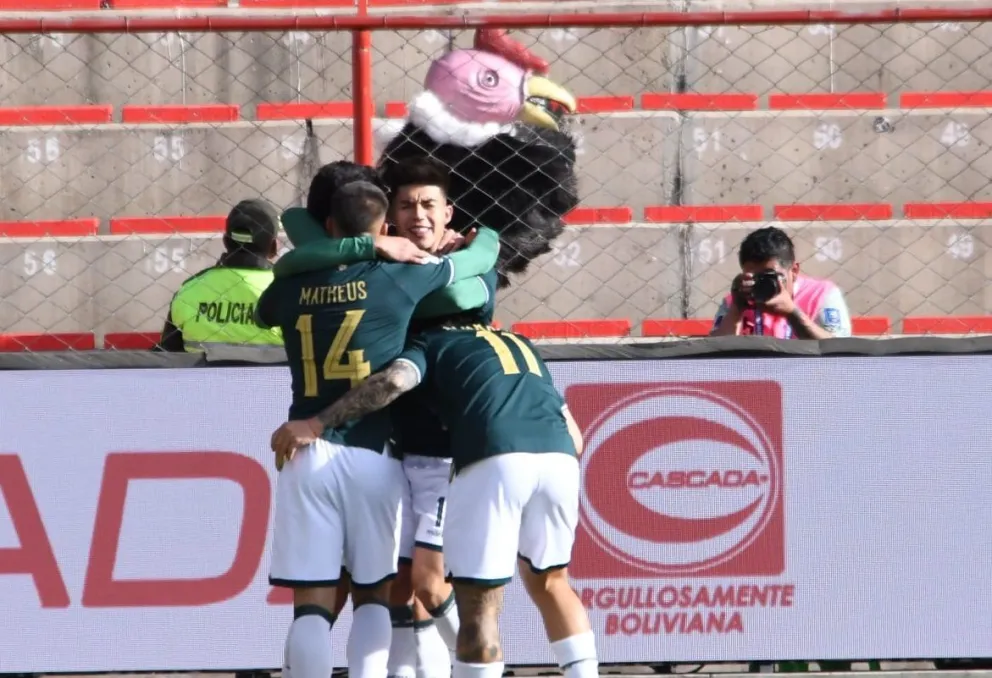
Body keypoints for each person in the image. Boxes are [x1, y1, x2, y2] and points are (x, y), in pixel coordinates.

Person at [257, 181, 499, 678]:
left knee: (311, 606)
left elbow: (268, 302)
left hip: (306, 454)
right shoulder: (396, 277)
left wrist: (338, 252)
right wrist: (484, 237)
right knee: (373, 596)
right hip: (373, 454)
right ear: (385, 225)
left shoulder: (289, 285)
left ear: (328, 228)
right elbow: (467, 269)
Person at [270, 314, 598, 678]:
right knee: (545, 581)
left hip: (469, 461)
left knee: (458, 594)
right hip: (554, 458)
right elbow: (577, 439)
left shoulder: (427, 341)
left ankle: (481, 667)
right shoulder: (516, 341)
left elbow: (395, 380)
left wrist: (317, 424)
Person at [158, 198, 284, 359]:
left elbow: (169, 357)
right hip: (271, 383)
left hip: (202, 382)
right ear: (273, 247)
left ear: (226, 241)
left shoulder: (190, 290)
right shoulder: (286, 289)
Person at [710, 226, 852, 339]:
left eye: (771, 275)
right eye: (755, 277)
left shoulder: (821, 295)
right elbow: (715, 356)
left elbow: (839, 350)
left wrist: (793, 313)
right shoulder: (736, 300)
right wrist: (736, 310)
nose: (763, 283)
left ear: (794, 271)